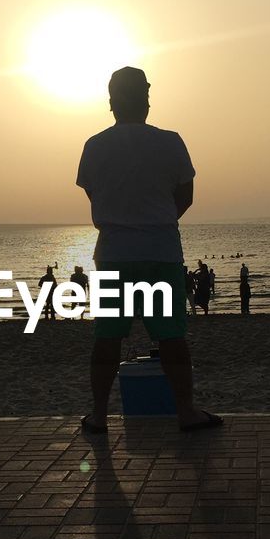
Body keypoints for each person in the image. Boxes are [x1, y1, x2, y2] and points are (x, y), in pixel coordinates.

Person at [76, 66, 221, 432]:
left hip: (114, 252)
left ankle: (99, 414)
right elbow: (184, 198)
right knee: (170, 335)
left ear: (111, 103)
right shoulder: (170, 141)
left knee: (108, 337)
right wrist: (154, 220)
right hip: (160, 250)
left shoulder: (94, 146)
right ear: (147, 99)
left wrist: (122, 220)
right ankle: (185, 411)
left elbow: (95, 199)